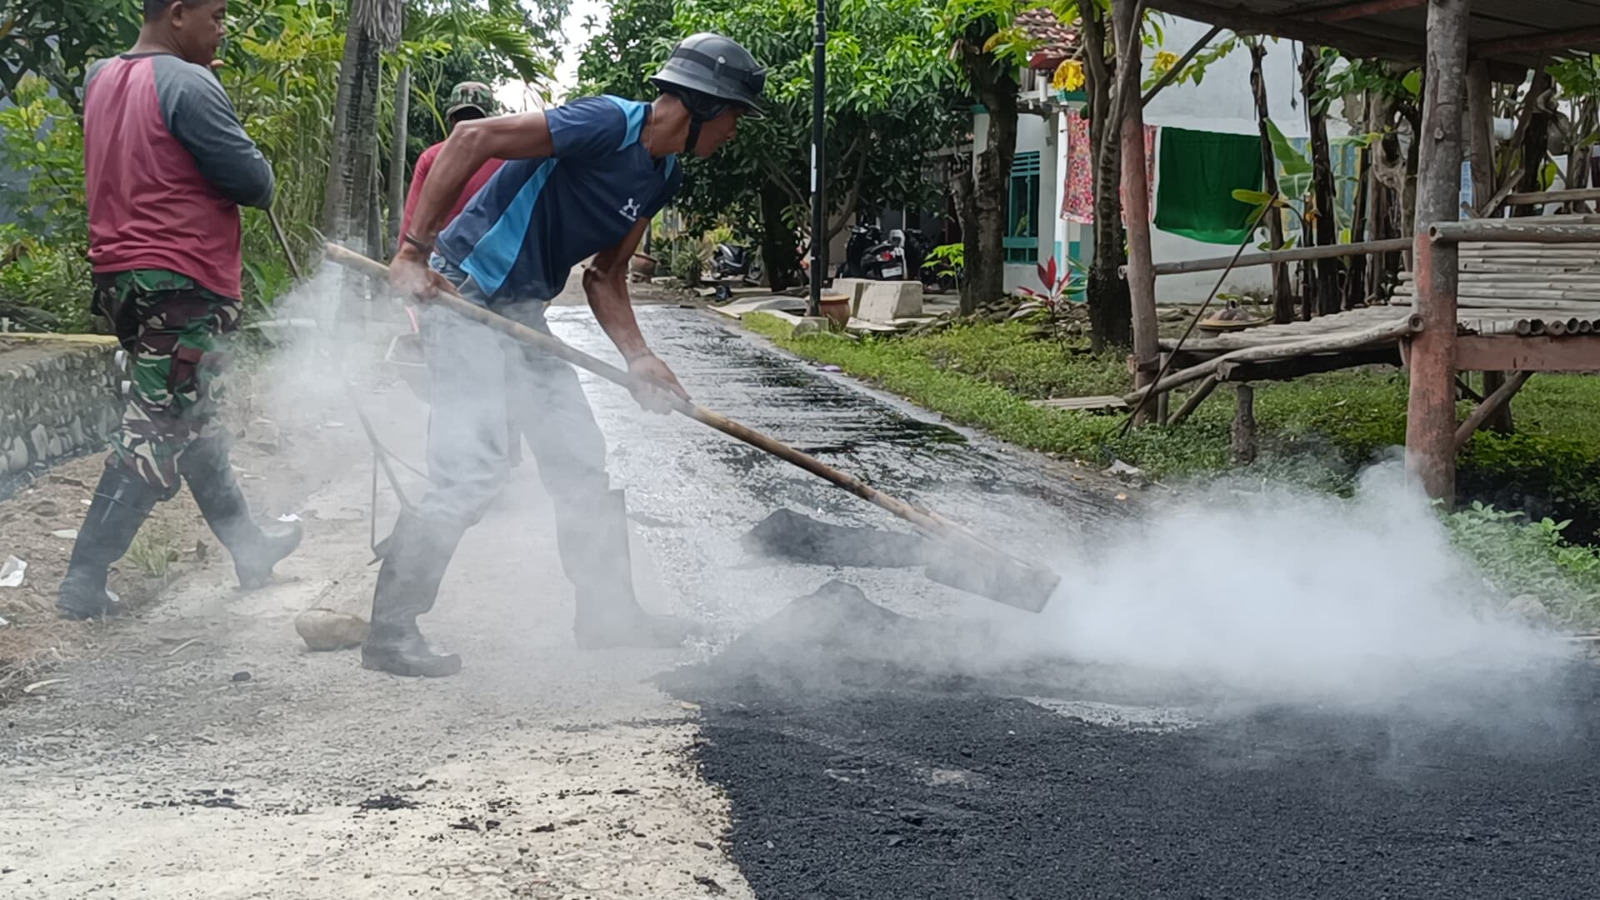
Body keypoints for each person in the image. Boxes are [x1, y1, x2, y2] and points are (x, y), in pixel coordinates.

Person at [373, 33, 765, 677]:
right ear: (702, 104)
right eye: (734, 116)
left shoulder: (663, 173)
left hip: (522, 315)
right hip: (466, 294)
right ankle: (388, 633)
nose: (734, 131)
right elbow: (473, 141)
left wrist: (639, 358)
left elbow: (606, 275)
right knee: (474, 469)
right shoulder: (605, 122)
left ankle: (608, 617)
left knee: (580, 461)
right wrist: (413, 252)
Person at [59, 0, 302, 620]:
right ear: (177, 14)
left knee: (193, 419)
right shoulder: (189, 82)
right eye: (215, 15)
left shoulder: (100, 76)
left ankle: (249, 549)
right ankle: (83, 581)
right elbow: (255, 184)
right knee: (157, 428)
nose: (222, 28)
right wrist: (211, 92)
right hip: (182, 278)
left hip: (123, 277)